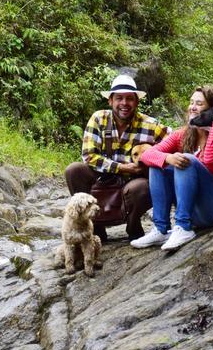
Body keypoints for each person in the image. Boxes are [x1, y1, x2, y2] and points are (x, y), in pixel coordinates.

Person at [131, 85, 213, 251]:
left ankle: (183, 227)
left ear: (212, 109)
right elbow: (147, 155)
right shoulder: (182, 134)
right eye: (191, 102)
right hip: (200, 212)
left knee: (186, 160)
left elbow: (210, 162)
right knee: (159, 164)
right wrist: (168, 157)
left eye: (199, 104)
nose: (192, 107)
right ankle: (161, 229)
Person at [65, 74, 169, 242]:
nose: (124, 103)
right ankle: (95, 227)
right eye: (119, 98)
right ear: (110, 101)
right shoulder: (98, 118)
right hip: (102, 177)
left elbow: (174, 142)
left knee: (141, 188)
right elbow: (89, 156)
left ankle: (133, 224)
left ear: (136, 102)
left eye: (129, 99)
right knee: (73, 170)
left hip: (133, 182)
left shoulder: (151, 125)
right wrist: (121, 167)